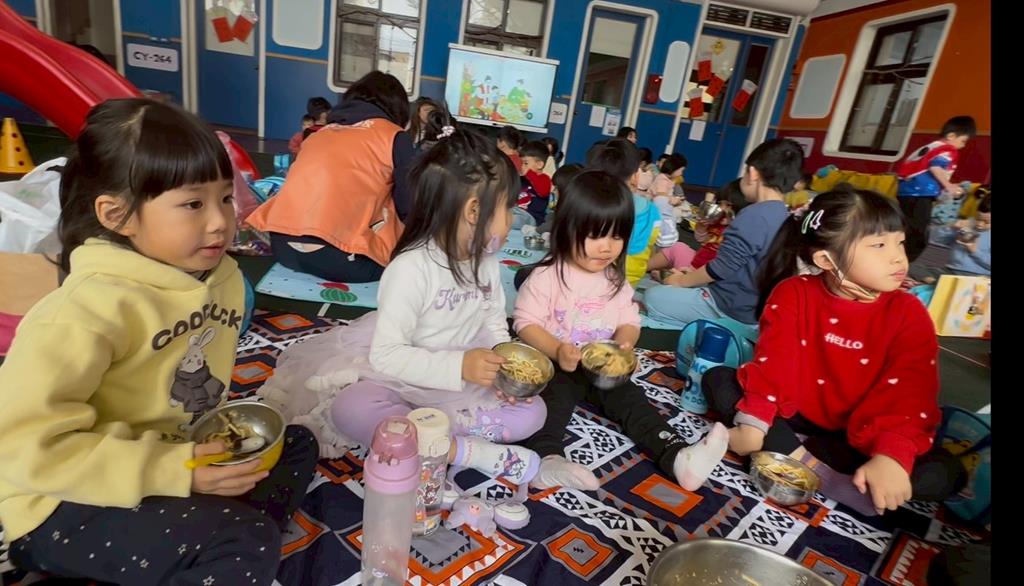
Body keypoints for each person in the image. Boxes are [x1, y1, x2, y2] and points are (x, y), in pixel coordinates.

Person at [0, 98, 318, 584]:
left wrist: (191, 465)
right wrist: (176, 470)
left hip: (170, 463)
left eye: (225, 198)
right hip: (62, 498)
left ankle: (188, 546)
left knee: (295, 444)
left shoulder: (221, 278)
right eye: (193, 204)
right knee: (246, 540)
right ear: (117, 215)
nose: (221, 221)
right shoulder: (84, 313)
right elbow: (25, 448)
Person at [258, 125, 546, 485]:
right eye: (508, 208)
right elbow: (388, 357)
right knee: (350, 409)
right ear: (474, 210)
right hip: (397, 377)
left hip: (461, 378)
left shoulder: (484, 260)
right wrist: (459, 366)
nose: (511, 219)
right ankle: (461, 450)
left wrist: (502, 369)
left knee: (533, 412)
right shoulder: (411, 269)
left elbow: (492, 319)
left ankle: (422, 436)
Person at [703, 187, 966, 516]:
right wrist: (754, 424)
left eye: (899, 242)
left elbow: (910, 393)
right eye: (879, 245)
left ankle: (795, 455)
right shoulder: (794, 293)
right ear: (827, 260)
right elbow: (774, 365)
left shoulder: (909, 313)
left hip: (858, 434)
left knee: (947, 474)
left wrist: (890, 457)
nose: (899, 258)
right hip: (795, 413)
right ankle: (826, 476)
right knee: (719, 379)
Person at [514, 170, 728, 491]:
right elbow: (525, 322)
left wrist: (625, 343)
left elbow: (629, 319)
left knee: (633, 400)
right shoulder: (547, 277)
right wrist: (557, 349)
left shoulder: (614, 280)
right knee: (549, 403)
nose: (607, 248)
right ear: (567, 229)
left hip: (600, 369)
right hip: (557, 364)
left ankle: (677, 456)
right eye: (596, 236)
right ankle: (547, 460)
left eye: (616, 237)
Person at [246, 71, 415, 283]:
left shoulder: (319, 134)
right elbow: (409, 207)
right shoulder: (393, 136)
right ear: (398, 107)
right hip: (347, 261)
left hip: (283, 249)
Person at [643, 139, 804, 327]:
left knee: (652, 296)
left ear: (753, 173)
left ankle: (716, 325)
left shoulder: (753, 215)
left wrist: (681, 281)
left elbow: (722, 268)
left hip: (725, 306)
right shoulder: (785, 216)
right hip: (752, 308)